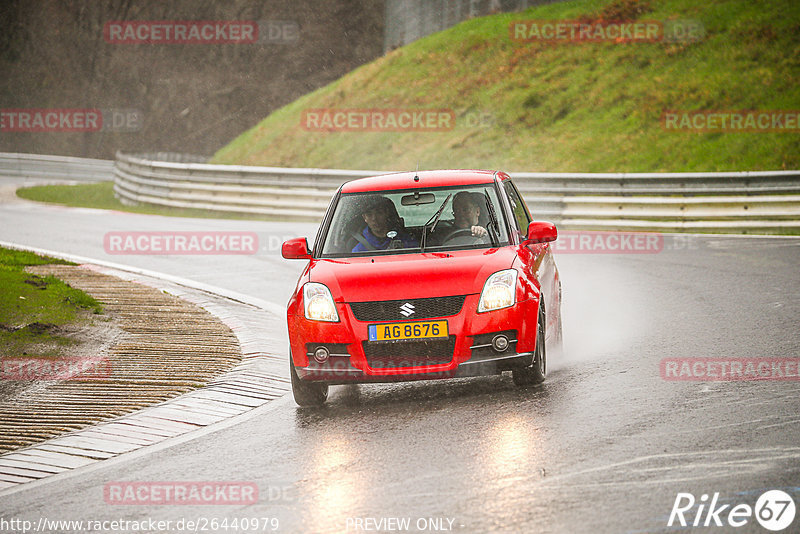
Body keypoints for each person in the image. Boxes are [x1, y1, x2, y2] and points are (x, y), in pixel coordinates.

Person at [351, 195, 419, 252]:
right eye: (369, 215)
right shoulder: (359, 250)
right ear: (364, 218)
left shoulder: (407, 242)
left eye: (379, 212)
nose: (374, 218)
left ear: (387, 213)